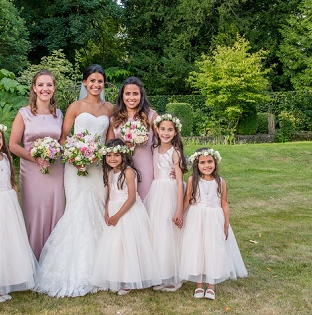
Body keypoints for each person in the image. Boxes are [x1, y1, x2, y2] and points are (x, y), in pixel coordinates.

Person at [34, 64, 114, 297]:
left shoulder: (109, 108)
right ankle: (72, 270)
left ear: (103, 84)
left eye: (100, 81)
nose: (96, 85)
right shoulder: (75, 107)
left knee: (98, 209)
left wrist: (101, 158)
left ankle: (103, 267)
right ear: (84, 83)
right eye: (92, 81)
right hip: (76, 166)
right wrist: (75, 156)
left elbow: (109, 142)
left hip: (98, 167)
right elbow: (64, 138)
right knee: (77, 211)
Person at [0, 120, 38, 303]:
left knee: (9, 241)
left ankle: (6, 280)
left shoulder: (6, 157)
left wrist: (15, 202)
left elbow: (12, 180)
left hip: (9, 202)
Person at [91, 139, 162, 295]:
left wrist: (117, 216)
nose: (112, 158)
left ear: (123, 155)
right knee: (116, 245)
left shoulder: (129, 172)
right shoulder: (110, 173)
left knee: (128, 244)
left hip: (128, 212)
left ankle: (130, 279)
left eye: (116, 155)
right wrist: (107, 211)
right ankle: (118, 276)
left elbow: (132, 198)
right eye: (109, 155)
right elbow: (110, 195)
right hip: (114, 210)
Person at [9, 69, 65, 260]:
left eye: (49, 84)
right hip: (32, 171)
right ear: (34, 87)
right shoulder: (24, 113)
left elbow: (63, 141)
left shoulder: (59, 114)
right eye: (41, 84)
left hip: (55, 170)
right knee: (33, 214)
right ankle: (31, 260)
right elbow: (13, 145)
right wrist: (35, 158)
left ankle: (53, 260)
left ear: (54, 88)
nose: (45, 88)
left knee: (56, 211)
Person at [178, 148, 247, 300]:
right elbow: (187, 199)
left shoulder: (220, 182)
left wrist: (226, 224)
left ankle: (211, 285)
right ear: (197, 165)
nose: (206, 165)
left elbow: (224, 203)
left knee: (213, 248)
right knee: (198, 248)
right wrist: (181, 215)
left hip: (215, 218)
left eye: (210, 161)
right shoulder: (192, 180)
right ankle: (199, 285)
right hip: (197, 217)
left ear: (215, 162)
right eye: (202, 162)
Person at [145, 113, 188, 292]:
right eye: (163, 129)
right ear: (156, 130)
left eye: (170, 130)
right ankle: (157, 272)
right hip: (156, 192)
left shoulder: (175, 152)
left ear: (175, 132)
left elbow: (179, 181)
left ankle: (170, 274)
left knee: (168, 231)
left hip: (170, 192)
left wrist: (179, 209)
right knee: (156, 230)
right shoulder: (154, 149)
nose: (166, 132)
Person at [107, 76, 158, 200]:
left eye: (135, 94)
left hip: (146, 164)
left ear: (141, 95)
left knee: (146, 197)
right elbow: (109, 146)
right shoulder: (114, 118)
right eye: (127, 94)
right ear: (122, 96)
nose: (131, 97)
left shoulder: (151, 116)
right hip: (122, 166)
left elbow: (163, 143)